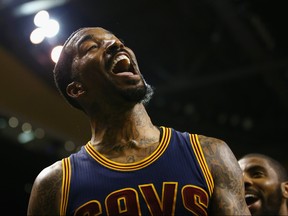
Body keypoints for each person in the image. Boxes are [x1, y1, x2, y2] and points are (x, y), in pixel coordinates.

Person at [27, 27, 250, 215]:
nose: (115, 45)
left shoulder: (210, 153)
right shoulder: (56, 184)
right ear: (77, 89)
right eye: (91, 47)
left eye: (117, 41)